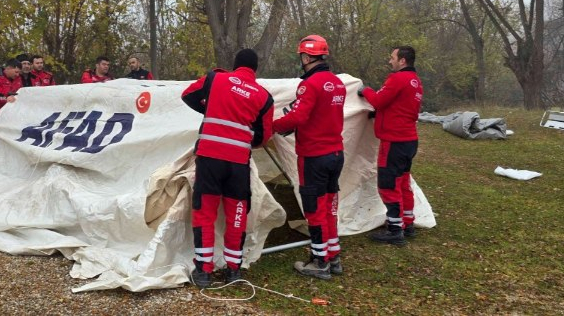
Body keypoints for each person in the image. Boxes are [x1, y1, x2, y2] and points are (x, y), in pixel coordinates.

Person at [181, 49, 274, 288]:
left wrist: (210, 108)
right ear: (255, 69)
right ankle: (233, 271)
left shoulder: (216, 78)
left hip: (209, 158)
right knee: (237, 214)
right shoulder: (264, 97)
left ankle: (203, 271)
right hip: (238, 163)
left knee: (205, 212)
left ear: (234, 64)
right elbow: (263, 136)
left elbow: (188, 95)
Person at [272, 35, 346, 280]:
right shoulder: (337, 83)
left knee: (314, 208)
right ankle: (333, 256)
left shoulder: (309, 85)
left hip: (314, 155)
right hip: (336, 153)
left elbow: (298, 117)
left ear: (305, 56)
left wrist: (273, 125)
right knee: (329, 207)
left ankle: (319, 262)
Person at [358, 46, 423, 246]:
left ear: (402, 60)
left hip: (394, 141)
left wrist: (365, 91)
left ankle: (395, 229)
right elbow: (399, 107)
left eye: (392, 57)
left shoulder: (397, 79)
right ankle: (407, 222)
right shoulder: (416, 82)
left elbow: (378, 100)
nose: (390, 61)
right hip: (409, 139)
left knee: (388, 184)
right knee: (403, 182)